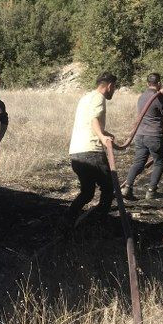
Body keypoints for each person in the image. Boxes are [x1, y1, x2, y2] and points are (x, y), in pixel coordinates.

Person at [65, 72, 119, 226]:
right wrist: (102, 138)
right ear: (109, 85)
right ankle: (99, 223)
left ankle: (68, 220)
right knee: (109, 189)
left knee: (87, 193)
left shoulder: (85, 98)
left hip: (76, 152)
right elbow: (95, 119)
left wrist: (106, 134)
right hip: (91, 152)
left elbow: (89, 123)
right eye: (114, 87)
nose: (114, 90)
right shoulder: (99, 97)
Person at [122, 72, 163, 201]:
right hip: (154, 137)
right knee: (159, 162)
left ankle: (127, 188)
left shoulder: (142, 96)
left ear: (148, 83)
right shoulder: (158, 97)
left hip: (140, 135)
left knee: (138, 163)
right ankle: (151, 192)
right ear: (159, 83)